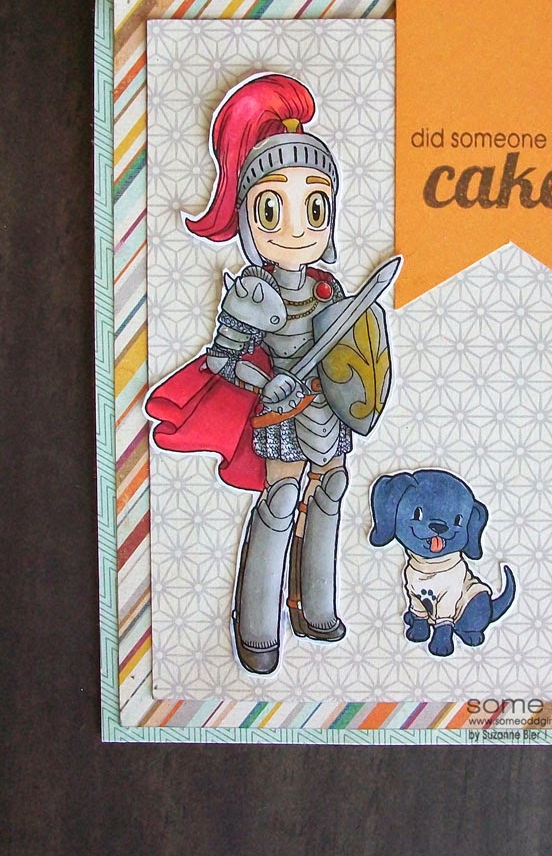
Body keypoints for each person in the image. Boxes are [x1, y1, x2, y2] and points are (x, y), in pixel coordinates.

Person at [146, 73, 391, 675]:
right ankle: (257, 627)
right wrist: (266, 383)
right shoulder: (253, 293)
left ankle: (317, 606)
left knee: (331, 490)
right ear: (249, 217)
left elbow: (354, 350)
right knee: (281, 499)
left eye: (314, 207)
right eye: (273, 209)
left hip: (328, 408)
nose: (297, 228)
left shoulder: (329, 290)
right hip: (281, 409)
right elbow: (222, 359)